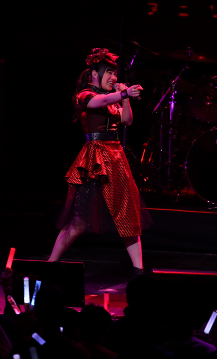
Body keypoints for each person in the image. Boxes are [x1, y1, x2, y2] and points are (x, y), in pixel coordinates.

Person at [48, 48, 151, 274]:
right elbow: (97, 102)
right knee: (79, 221)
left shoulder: (113, 98)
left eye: (115, 74)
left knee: (128, 217)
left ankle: (139, 272)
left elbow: (127, 121)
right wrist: (123, 94)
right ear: (95, 74)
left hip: (116, 157)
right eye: (109, 73)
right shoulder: (85, 95)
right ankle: (50, 264)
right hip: (94, 158)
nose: (114, 78)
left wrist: (125, 98)